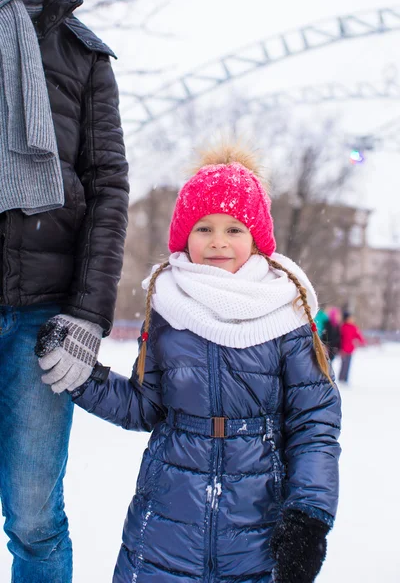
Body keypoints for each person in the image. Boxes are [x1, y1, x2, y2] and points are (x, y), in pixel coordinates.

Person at [50, 145, 341, 583]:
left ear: (257, 239)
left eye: (234, 228)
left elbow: (314, 422)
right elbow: (145, 407)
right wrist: (82, 377)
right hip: (166, 522)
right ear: (185, 236)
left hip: (257, 528)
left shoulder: (288, 312)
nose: (218, 241)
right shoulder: (167, 304)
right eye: (204, 227)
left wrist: (309, 514)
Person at [0, 0, 129, 582]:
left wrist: (87, 314)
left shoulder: (83, 55)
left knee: (33, 518)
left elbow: (107, 187)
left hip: (42, 319)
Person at [338, 312, 365, 384]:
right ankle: (341, 378)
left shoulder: (353, 327)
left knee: (348, 364)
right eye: (350, 318)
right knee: (343, 364)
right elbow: (339, 338)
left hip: (350, 349)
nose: (352, 319)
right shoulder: (342, 327)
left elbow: (358, 335)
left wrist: (362, 342)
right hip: (343, 349)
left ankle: (345, 379)